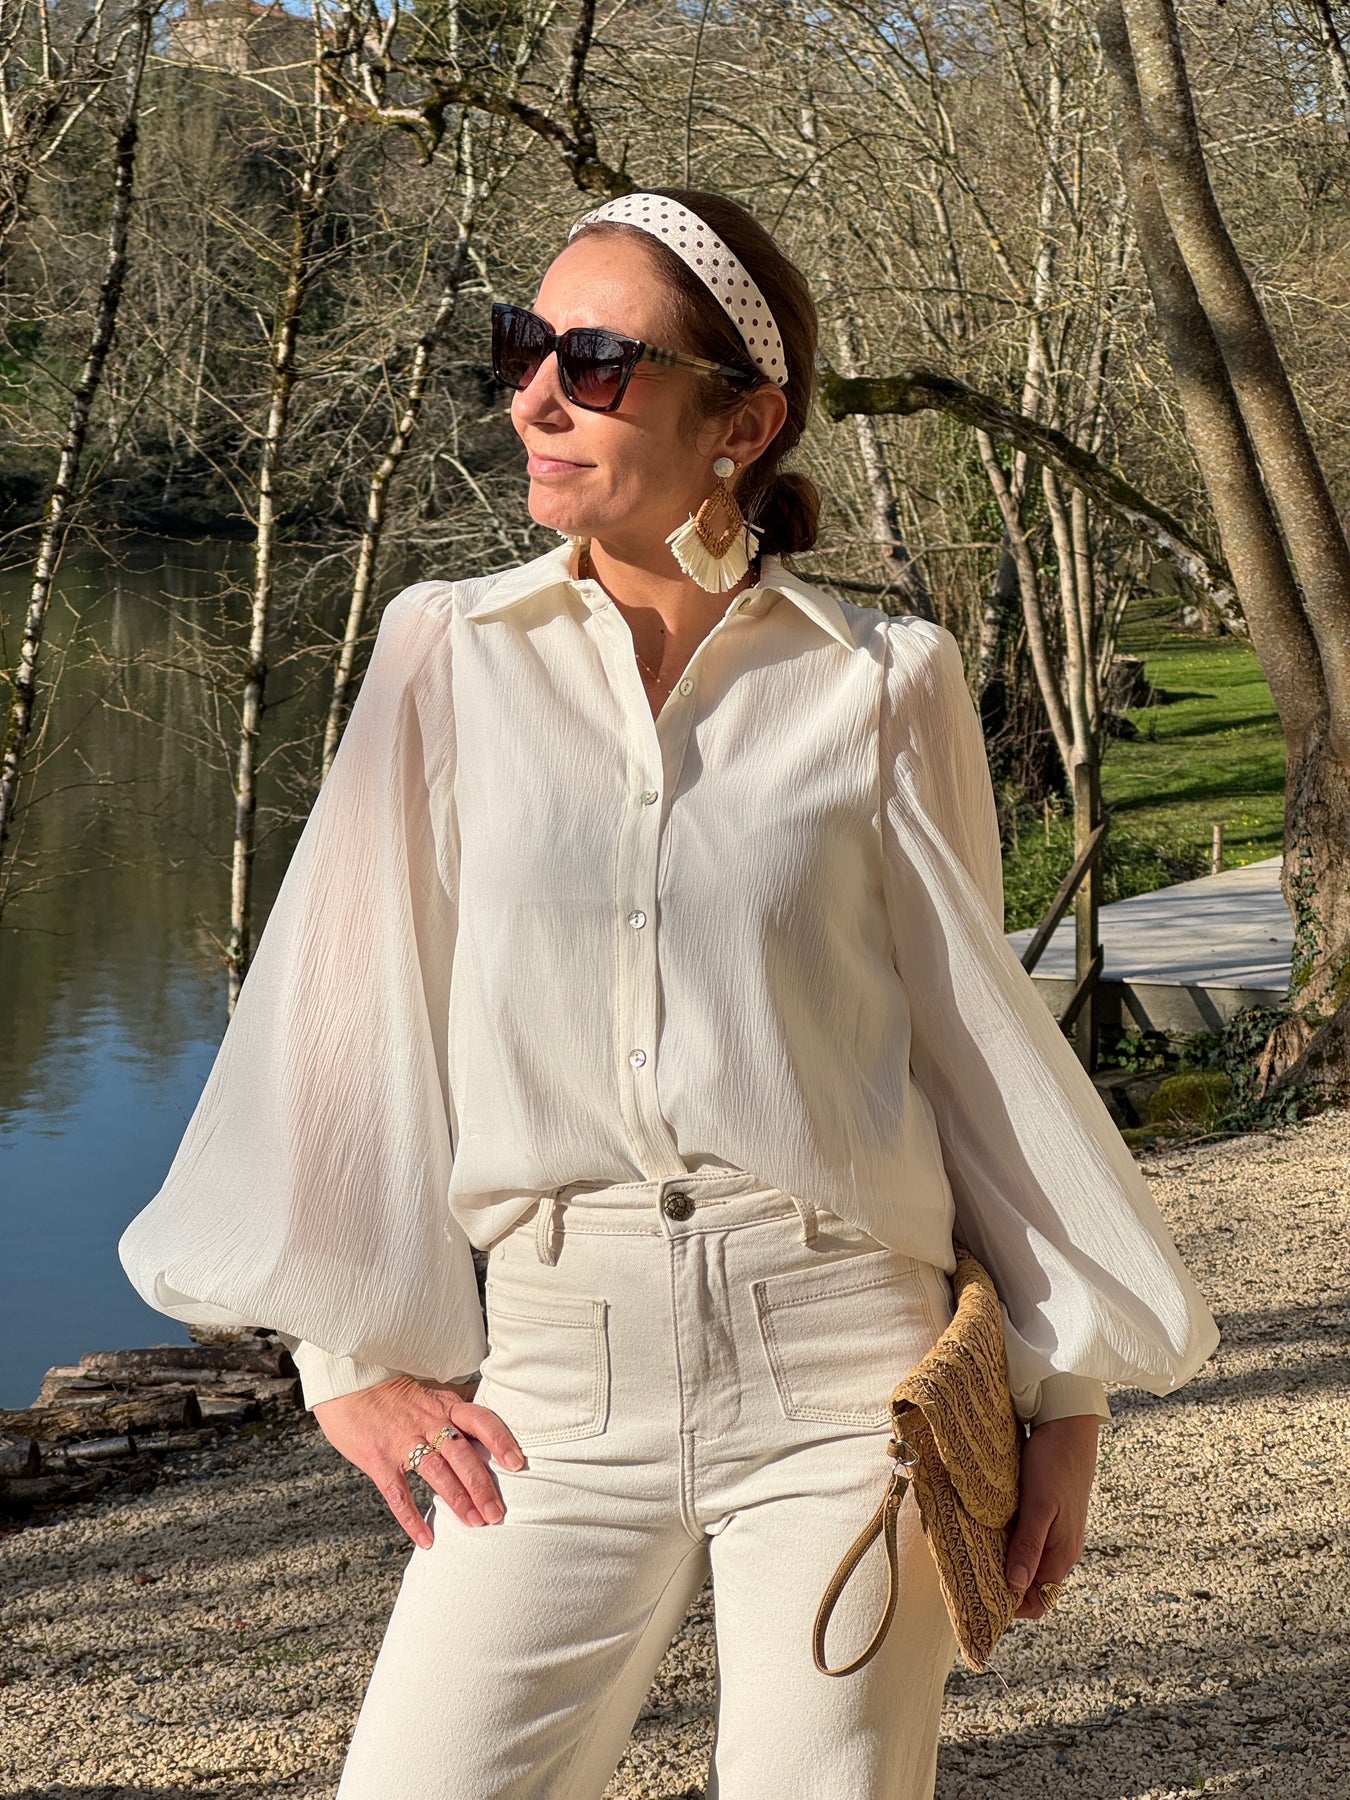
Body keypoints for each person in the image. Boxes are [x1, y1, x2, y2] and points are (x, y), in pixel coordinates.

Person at [119, 186, 1221, 1799]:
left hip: (847, 1376)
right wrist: (348, 1361)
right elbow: (342, 1017)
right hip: (552, 1380)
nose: (534, 397)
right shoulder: (443, 654)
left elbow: (973, 1052)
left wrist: (1060, 1400)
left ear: (741, 424)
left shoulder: (880, 684)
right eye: (523, 347)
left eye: (593, 361)